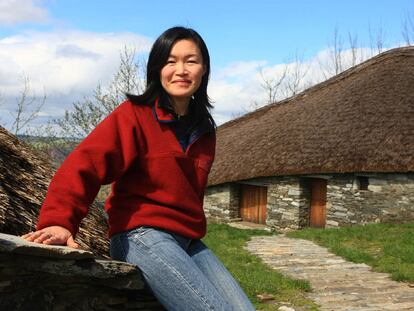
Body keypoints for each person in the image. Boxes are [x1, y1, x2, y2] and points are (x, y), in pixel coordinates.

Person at [22, 26, 256, 311]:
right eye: (171, 61)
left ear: (204, 69)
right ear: (157, 69)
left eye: (191, 61)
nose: (181, 70)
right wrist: (59, 221)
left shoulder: (204, 129)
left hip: (189, 240)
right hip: (142, 235)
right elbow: (84, 163)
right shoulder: (134, 115)